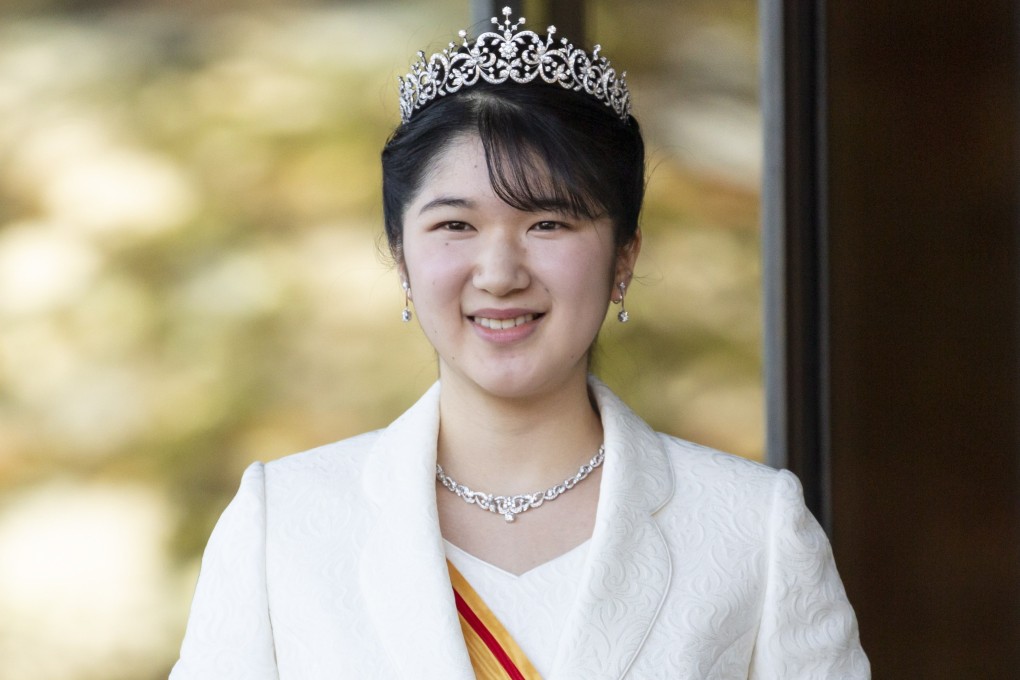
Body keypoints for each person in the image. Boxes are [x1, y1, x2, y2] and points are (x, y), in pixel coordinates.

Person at [170, 8, 869, 679]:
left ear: (624, 257)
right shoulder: (286, 522)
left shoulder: (750, 527)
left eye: (549, 224)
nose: (500, 274)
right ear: (401, 258)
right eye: (455, 227)